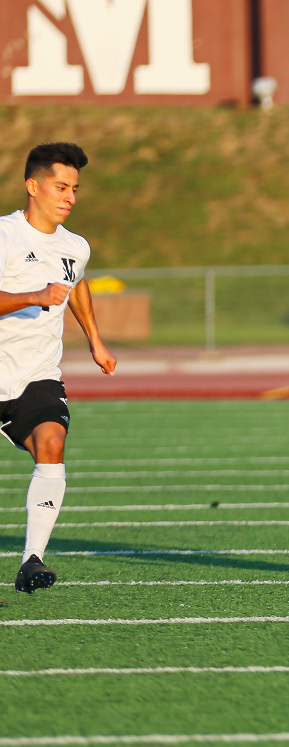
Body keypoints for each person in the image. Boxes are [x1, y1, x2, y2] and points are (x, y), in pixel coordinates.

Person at [3, 143, 117, 594]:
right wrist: (33, 296)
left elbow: (78, 284)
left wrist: (95, 340)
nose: (69, 196)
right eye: (60, 186)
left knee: (52, 441)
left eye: (74, 189)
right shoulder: (5, 236)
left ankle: (33, 559)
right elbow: (45, 292)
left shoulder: (75, 246)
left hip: (36, 374)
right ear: (33, 186)